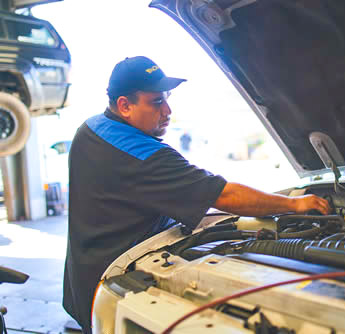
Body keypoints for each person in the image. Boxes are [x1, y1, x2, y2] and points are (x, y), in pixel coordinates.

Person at [62, 56, 331, 333]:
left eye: (167, 99)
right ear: (124, 105)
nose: (167, 111)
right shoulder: (143, 154)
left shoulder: (92, 128)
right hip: (120, 283)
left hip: (85, 275)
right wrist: (294, 204)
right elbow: (225, 196)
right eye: (156, 102)